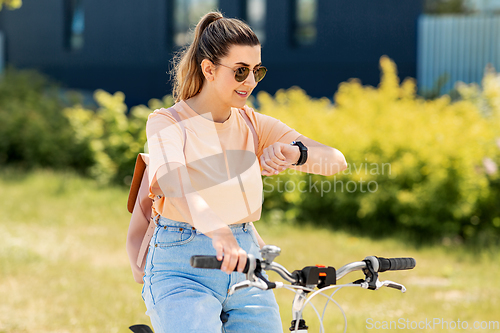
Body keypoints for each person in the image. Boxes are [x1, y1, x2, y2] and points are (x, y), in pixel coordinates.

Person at [141, 11, 348, 333]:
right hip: (182, 263)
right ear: (208, 69)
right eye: (240, 71)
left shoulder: (253, 123)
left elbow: (336, 161)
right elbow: (173, 181)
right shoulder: (167, 122)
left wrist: (294, 153)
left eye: (257, 71)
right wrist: (218, 231)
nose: (250, 82)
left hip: (245, 261)